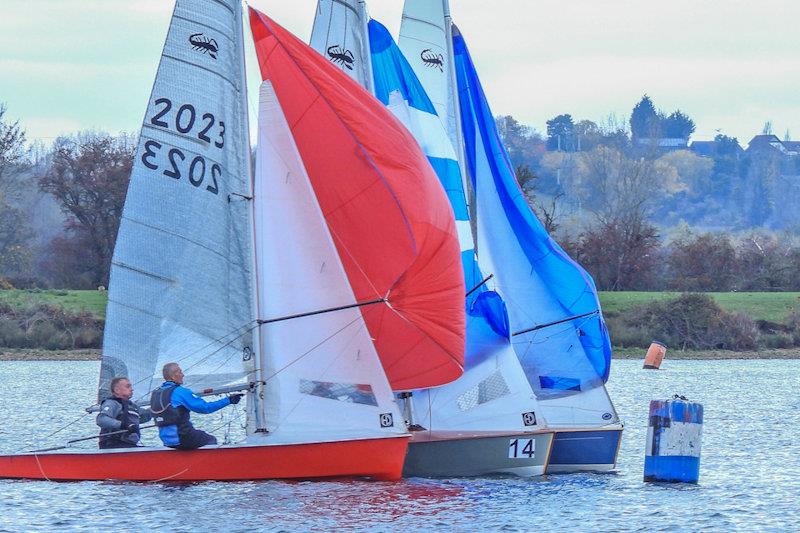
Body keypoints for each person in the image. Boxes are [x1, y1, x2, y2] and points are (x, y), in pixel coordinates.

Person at [150, 362, 243, 450]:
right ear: (173, 376)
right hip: (182, 437)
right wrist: (229, 400)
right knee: (210, 439)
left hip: (166, 440)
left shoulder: (155, 393)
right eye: (180, 372)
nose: (183, 375)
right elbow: (205, 408)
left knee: (195, 436)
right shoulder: (180, 391)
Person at [96, 377, 152, 449]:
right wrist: (123, 425)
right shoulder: (112, 403)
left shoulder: (133, 406)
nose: (132, 389)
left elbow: (145, 416)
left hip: (129, 445)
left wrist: (159, 407)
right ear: (117, 390)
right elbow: (101, 420)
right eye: (128, 386)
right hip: (113, 445)